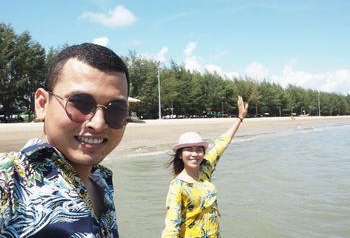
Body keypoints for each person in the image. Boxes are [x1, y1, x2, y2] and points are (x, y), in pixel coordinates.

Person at [0, 43, 129, 237]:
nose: (99, 123)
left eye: (116, 110)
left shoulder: (101, 181)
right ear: (42, 104)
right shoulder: (8, 181)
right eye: (81, 104)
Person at [161, 96, 248, 238]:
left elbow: (222, 143)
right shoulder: (178, 187)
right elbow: (171, 227)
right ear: (180, 155)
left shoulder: (205, 169)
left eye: (198, 149)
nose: (194, 154)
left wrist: (240, 118)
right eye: (189, 150)